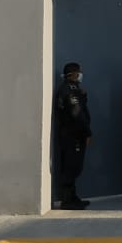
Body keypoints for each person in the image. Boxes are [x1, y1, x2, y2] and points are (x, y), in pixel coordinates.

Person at [51, 61, 92, 210]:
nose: (80, 75)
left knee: (73, 166)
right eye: (79, 72)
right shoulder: (69, 90)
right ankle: (68, 200)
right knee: (71, 166)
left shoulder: (70, 89)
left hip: (70, 133)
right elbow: (77, 113)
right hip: (73, 134)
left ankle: (73, 197)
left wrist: (84, 96)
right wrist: (87, 132)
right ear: (74, 74)